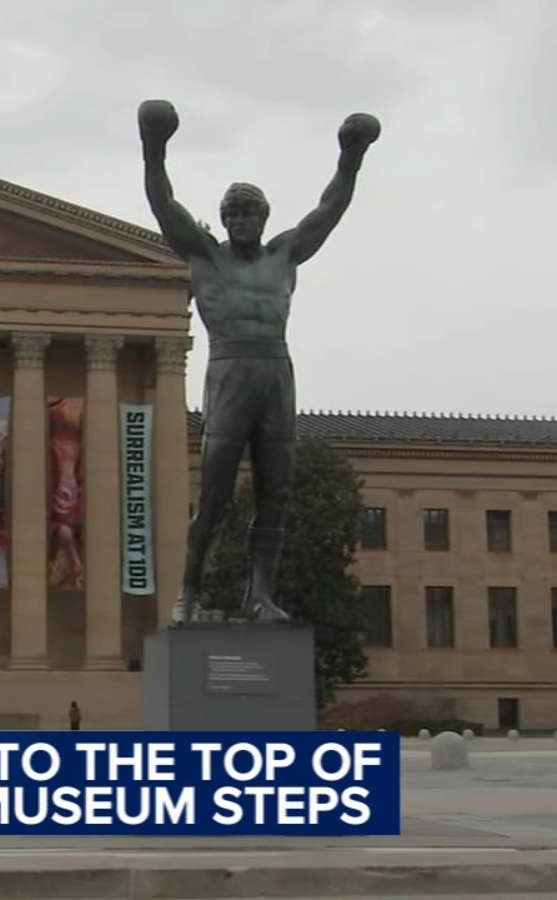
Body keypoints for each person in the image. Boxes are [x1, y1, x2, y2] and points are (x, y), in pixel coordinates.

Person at [137, 99, 380, 624]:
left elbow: (329, 210)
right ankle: (188, 594)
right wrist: (153, 147)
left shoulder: (285, 255)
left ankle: (259, 595)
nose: (242, 220)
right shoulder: (204, 255)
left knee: (276, 493)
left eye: (250, 212)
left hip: (276, 373)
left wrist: (350, 157)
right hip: (229, 372)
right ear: (223, 221)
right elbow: (163, 203)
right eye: (234, 213)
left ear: (264, 219)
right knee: (216, 496)